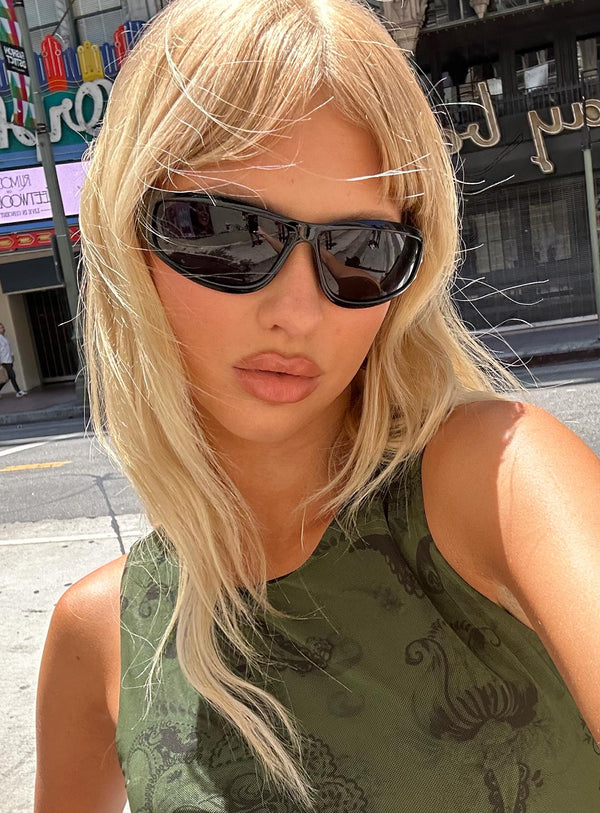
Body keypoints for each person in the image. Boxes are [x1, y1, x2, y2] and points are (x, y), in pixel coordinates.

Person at [34, 1, 600, 811]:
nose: (297, 312)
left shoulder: (500, 478)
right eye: (225, 232)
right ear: (129, 237)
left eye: (363, 250)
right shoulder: (100, 634)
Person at [0, 322, 26, 397]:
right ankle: (18, 391)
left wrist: (12, 355)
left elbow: (8, 348)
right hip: (4, 361)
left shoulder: (4, 338)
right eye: (1, 328)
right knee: (12, 376)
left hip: (9, 360)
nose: (3, 329)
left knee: (7, 377)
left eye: (3, 327)